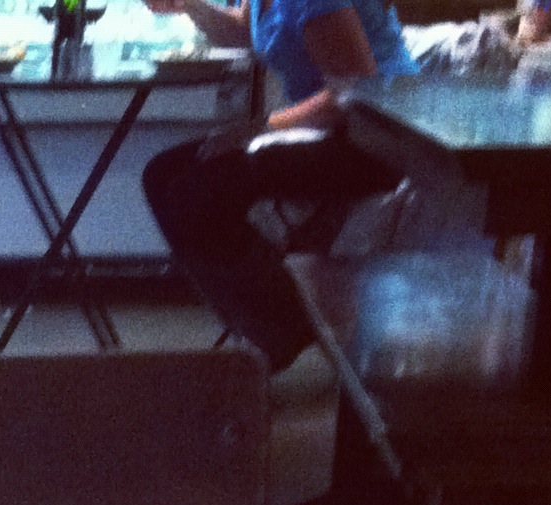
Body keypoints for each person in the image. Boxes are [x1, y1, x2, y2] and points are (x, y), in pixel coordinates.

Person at [139, 0, 417, 371]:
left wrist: (256, 129)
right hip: (334, 129)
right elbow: (247, 28)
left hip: (379, 138)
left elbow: (350, 93)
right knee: (163, 174)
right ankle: (280, 319)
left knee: (197, 192)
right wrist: (190, 5)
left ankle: (279, 326)